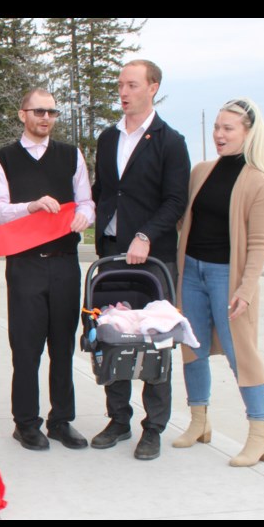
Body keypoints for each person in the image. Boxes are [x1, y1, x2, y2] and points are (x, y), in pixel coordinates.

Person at [91, 60, 190, 460]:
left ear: (153, 88)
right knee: (112, 334)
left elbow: (175, 200)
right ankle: (118, 419)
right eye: (120, 85)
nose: (123, 92)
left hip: (152, 259)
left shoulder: (170, 140)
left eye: (132, 85)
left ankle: (153, 428)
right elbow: (102, 192)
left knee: (153, 340)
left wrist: (146, 235)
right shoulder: (107, 138)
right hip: (113, 254)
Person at [174, 98, 264, 466]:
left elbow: (259, 243)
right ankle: (199, 422)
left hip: (227, 276)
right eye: (217, 127)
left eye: (228, 128)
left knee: (242, 355)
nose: (219, 134)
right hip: (192, 272)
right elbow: (185, 221)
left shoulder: (262, 182)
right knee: (193, 347)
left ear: (248, 133)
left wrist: (246, 289)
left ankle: (260, 434)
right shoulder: (202, 171)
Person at [0, 88, 95, 452]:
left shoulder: (71, 156)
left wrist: (85, 216)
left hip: (65, 264)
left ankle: (61, 420)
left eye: (51, 111)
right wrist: (31, 206)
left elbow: (86, 201)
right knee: (27, 349)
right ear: (22, 114)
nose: (46, 118)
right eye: (38, 111)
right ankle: (26, 422)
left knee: (63, 347)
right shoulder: (3, 159)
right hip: (25, 266)